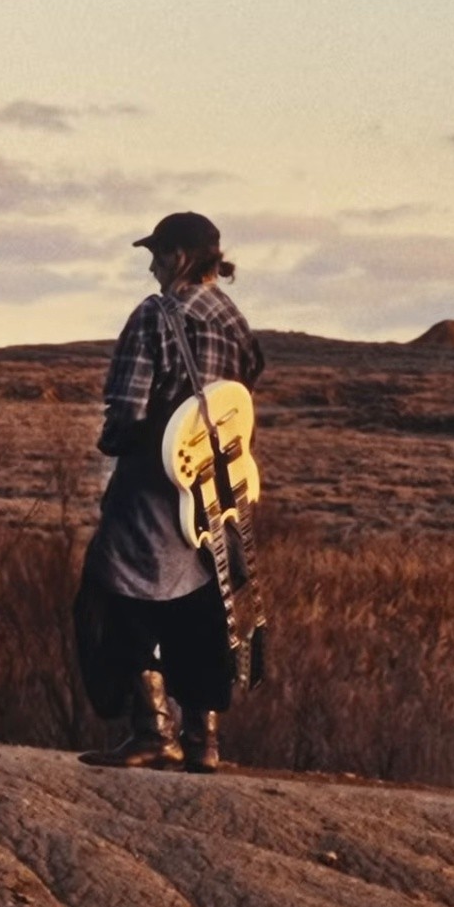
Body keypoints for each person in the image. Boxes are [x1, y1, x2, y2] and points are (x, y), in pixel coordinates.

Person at [76, 211, 263, 772]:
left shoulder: (156, 315)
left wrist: (114, 442)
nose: (152, 265)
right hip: (218, 486)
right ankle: (205, 741)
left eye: (158, 254)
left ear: (180, 257)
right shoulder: (235, 321)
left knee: (119, 594)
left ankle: (153, 732)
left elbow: (127, 409)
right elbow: (244, 391)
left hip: (152, 487)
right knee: (206, 602)